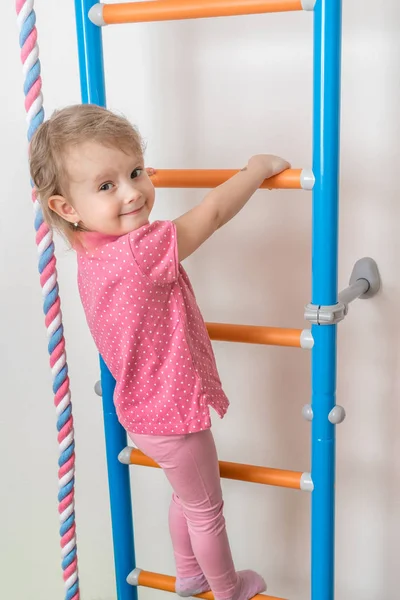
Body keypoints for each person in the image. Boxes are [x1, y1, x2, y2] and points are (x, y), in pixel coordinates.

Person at [30, 104, 290, 600]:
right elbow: (211, 214)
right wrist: (254, 171)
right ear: (67, 208)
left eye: (135, 172)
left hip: (143, 412)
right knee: (206, 511)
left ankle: (189, 575)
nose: (132, 192)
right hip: (173, 416)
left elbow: (120, 203)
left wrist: (109, 190)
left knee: (185, 497)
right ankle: (226, 589)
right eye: (106, 186)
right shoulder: (139, 249)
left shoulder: (91, 251)